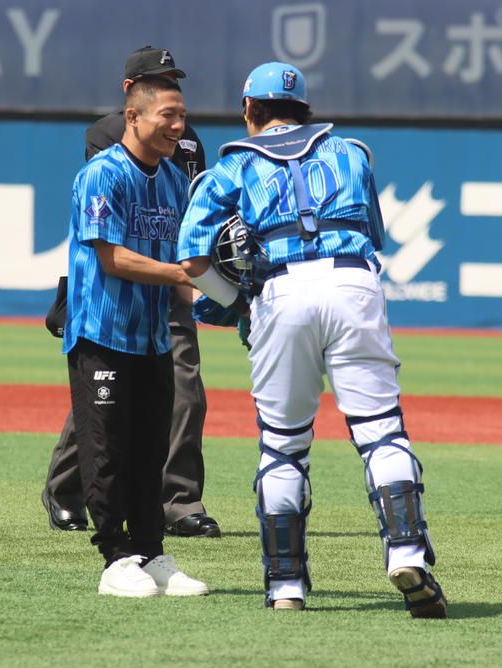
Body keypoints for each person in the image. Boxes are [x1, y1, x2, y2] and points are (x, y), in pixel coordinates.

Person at [177, 62, 447, 616]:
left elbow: (192, 260)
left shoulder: (232, 167)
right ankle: (406, 551)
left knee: (283, 445)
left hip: (279, 291)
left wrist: (238, 304)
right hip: (353, 282)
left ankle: (286, 587)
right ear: (304, 109)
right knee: (380, 431)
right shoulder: (351, 153)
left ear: (250, 109)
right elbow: (371, 234)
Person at [43, 45, 219, 539]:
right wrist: (181, 275)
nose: (177, 120)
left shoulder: (185, 149)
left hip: (165, 296)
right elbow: (108, 244)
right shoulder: (106, 143)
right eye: (162, 83)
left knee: (185, 395)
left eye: (175, 81)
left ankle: (178, 503)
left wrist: (210, 296)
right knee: (105, 410)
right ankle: (69, 492)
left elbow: (188, 225)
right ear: (131, 99)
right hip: (115, 302)